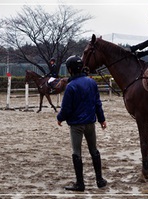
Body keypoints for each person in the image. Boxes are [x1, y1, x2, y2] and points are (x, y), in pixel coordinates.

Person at [57, 55, 107, 192]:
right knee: (94, 150)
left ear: (70, 70)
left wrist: (60, 118)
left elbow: (66, 108)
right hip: (90, 122)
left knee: (76, 152)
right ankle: (100, 180)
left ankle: (80, 183)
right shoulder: (92, 83)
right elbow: (97, 103)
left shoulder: (71, 86)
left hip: (76, 125)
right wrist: (102, 119)